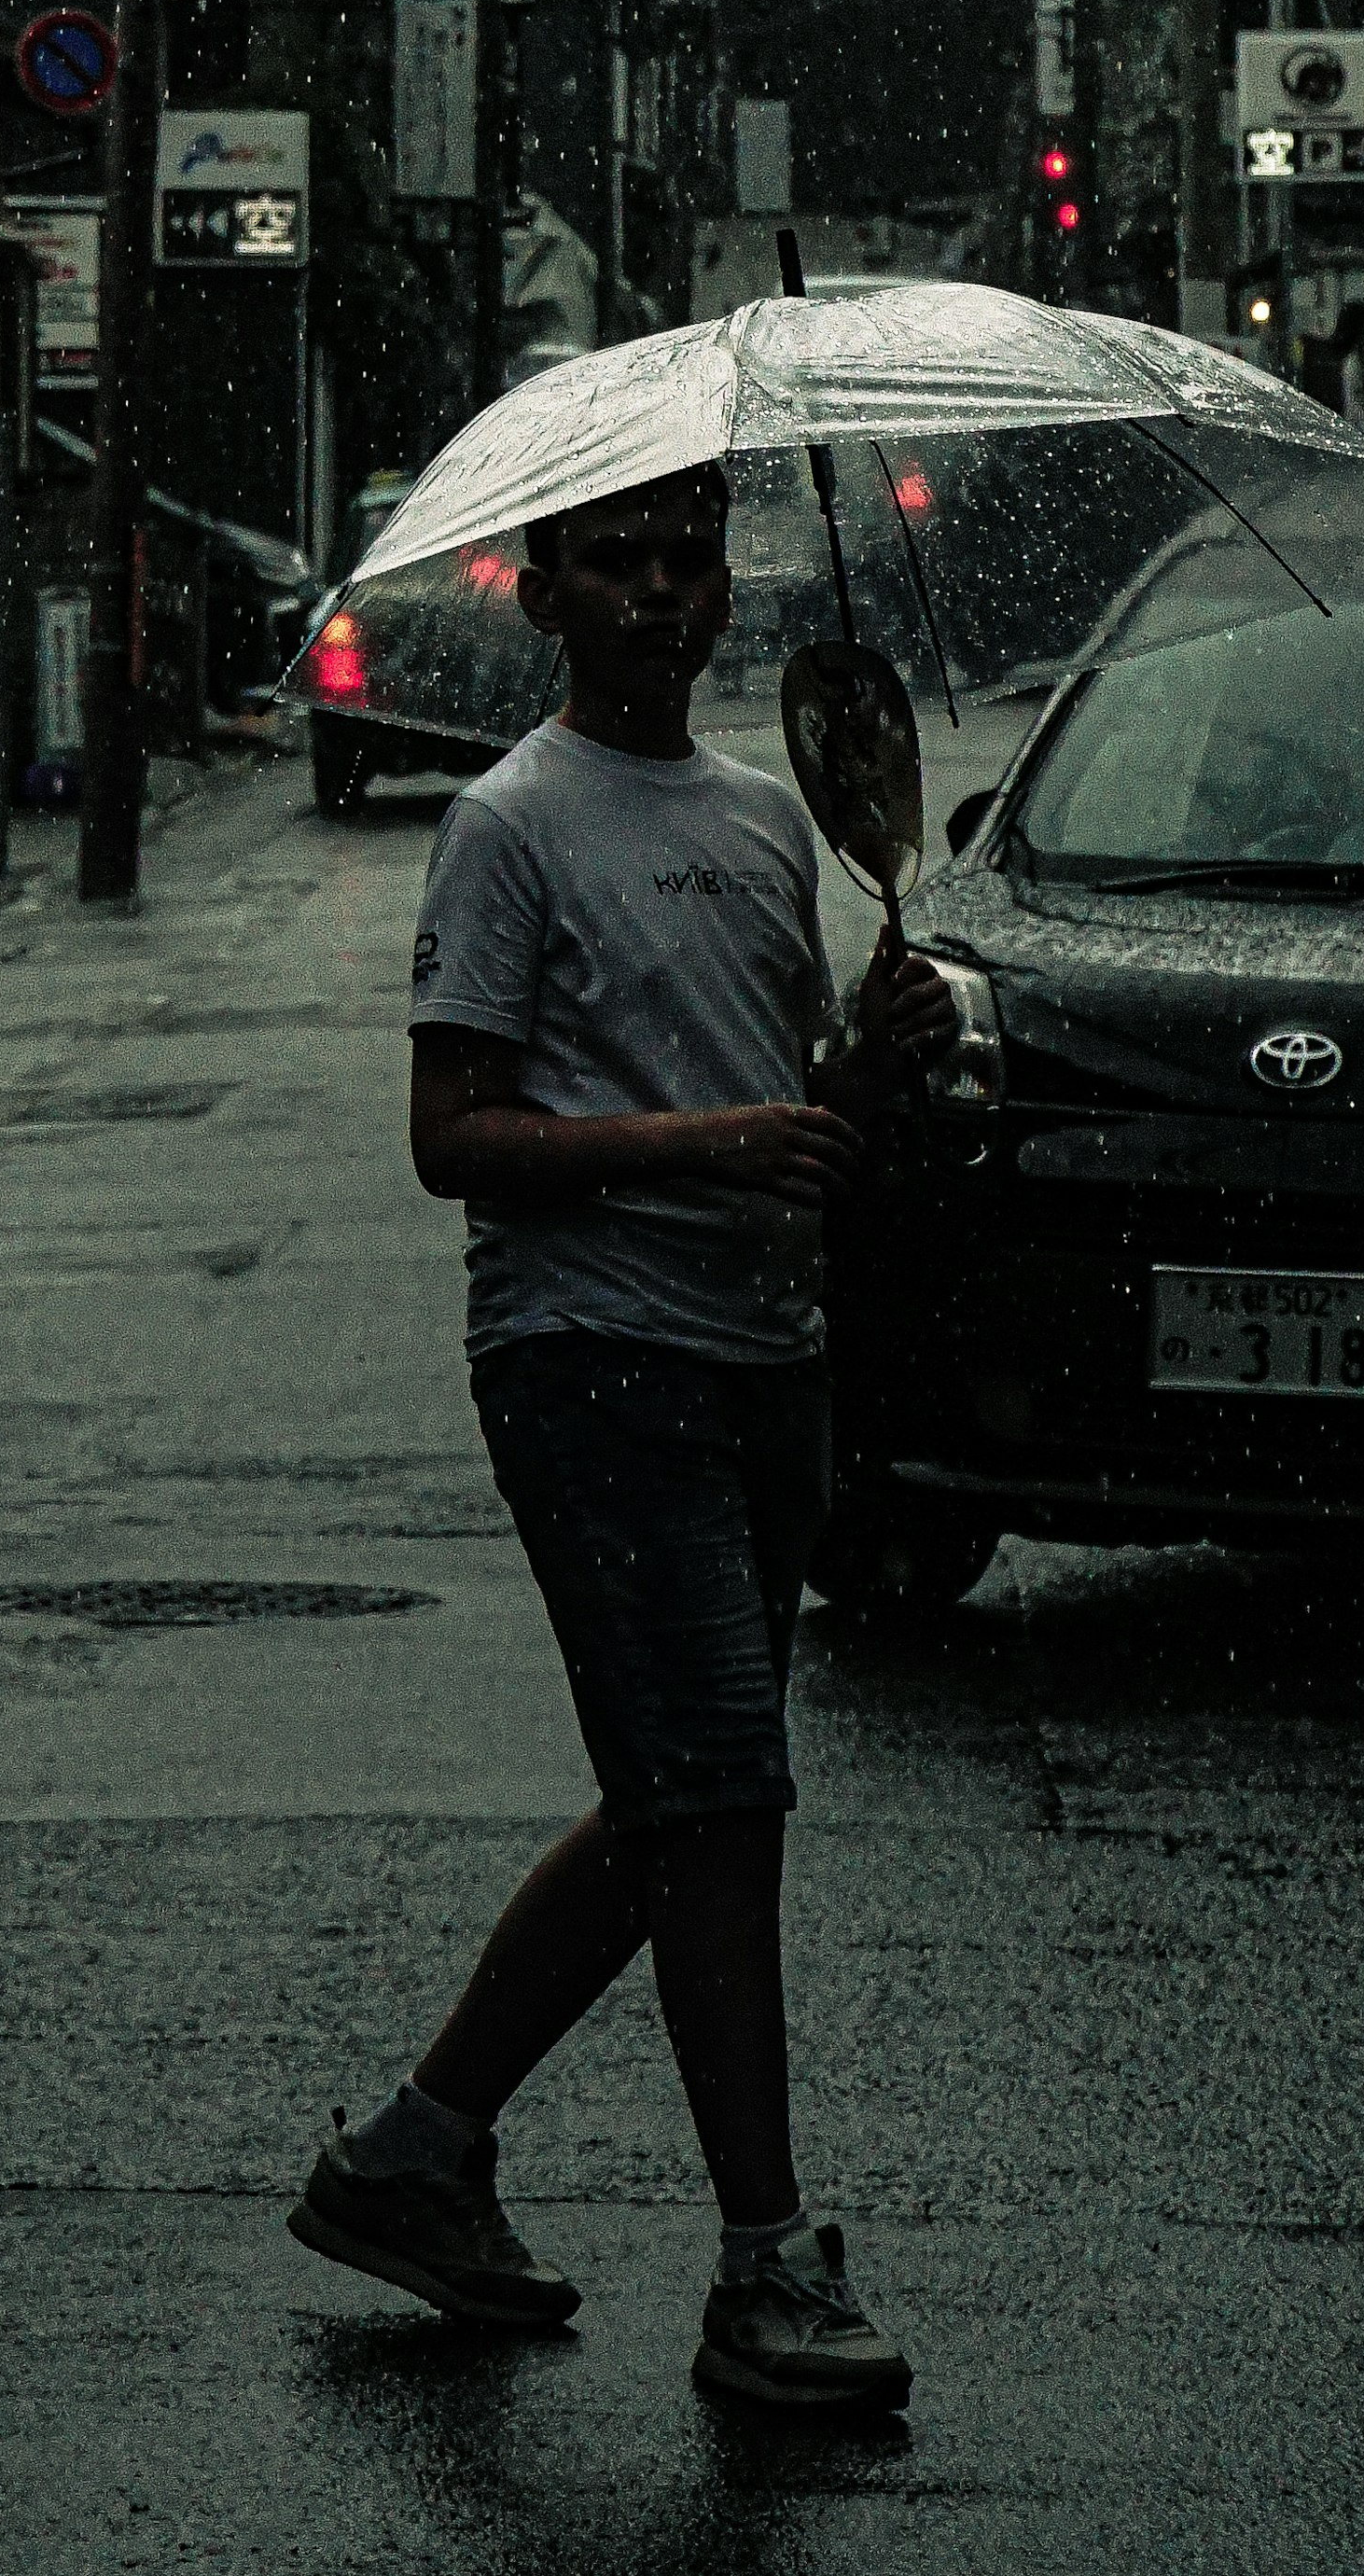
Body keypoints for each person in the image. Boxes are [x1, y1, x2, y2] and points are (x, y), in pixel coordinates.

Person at [286, 459, 952, 2415]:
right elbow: (456, 1139)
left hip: (768, 1365)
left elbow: (787, 1111)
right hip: (596, 1365)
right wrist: (715, 1145)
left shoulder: (764, 822)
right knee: (720, 1797)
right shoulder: (508, 827)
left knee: (679, 1800)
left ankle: (414, 2157)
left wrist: (864, 1073)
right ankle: (766, 2269)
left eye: (687, 556)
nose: (663, 592)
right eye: (618, 561)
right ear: (541, 594)